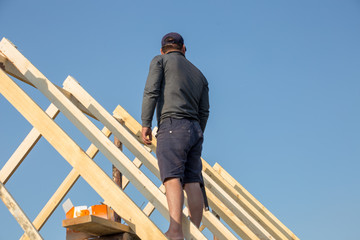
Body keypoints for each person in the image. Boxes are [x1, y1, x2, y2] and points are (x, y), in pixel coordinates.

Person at [141, 32, 210, 240]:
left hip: (172, 125)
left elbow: (151, 91)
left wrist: (146, 123)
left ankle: (176, 231)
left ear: (162, 49)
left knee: (172, 178)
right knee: (192, 181)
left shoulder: (160, 61)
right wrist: (196, 132)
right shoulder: (200, 75)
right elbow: (204, 111)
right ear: (184, 49)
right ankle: (194, 234)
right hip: (195, 129)